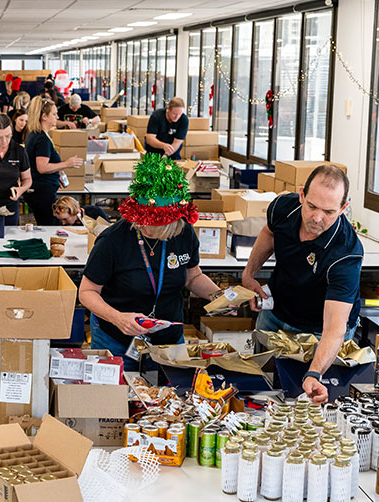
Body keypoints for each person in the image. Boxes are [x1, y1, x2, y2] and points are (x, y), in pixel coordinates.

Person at [79, 154, 223, 371]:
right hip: (117, 339)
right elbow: (87, 292)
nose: (154, 232)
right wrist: (117, 318)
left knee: (171, 398)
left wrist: (218, 297)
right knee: (118, 400)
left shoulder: (184, 234)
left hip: (168, 340)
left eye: (164, 229)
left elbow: (193, 277)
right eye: (149, 227)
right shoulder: (112, 241)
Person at [241, 165, 363, 404]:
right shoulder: (283, 207)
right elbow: (270, 233)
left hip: (320, 331)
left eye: (328, 211)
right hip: (276, 315)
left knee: (304, 401)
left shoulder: (345, 253)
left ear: (343, 208)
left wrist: (315, 373)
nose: (317, 218)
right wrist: (249, 273)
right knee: (259, 393)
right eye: (312, 206)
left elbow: (334, 329)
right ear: (301, 196)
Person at [23, 97, 82, 226]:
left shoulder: (35, 134)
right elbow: (42, 167)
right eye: (54, 114)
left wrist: (57, 173)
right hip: (42, 191)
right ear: (44, 116)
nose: (57, 117)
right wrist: (67, 164)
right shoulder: (41, 138)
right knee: (49, 226)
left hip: (40, 188)